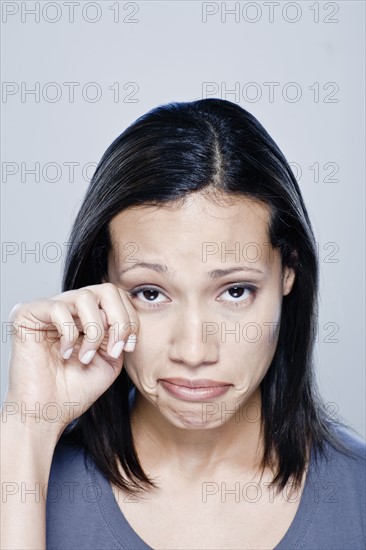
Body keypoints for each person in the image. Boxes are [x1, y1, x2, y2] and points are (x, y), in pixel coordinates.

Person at [1, 99, 365, 550]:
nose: (193, 351)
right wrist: (27, 427)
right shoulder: (22, 476)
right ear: (103, 283)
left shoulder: (358, 497)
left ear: (288, 271)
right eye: (150, 293)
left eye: (235, 291)